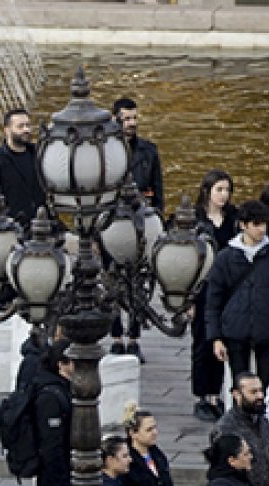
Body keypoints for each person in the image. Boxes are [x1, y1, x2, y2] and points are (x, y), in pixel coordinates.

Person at [204, 201, 269, 390]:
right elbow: (214, 300)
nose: (262, 229)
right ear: (243, 225)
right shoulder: (225, 258)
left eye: (264, 224)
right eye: (256, 224)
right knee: (240, 386)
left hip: (268, 330)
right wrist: (216, 337)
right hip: (235, 330)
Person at [110, 97, 164, 356]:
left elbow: (158, 190)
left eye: (134, 118)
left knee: (138, 282)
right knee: (111, 281)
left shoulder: (148, 151)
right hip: (111, 224)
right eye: (126, 119)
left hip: (141, 223)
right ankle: (116, 335)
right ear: (115, 120)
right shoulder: (105, 152)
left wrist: (158, 221)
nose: (132, 124)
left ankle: (133, 337)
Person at [188, 170, 238, 421]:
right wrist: (187, 299)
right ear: (207, 190)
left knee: (222, 341)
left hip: (228, 288)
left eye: (227, 190)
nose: (223, 195)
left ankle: (215, 395)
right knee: (202, 342)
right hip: (202, 288)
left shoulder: (234, 219)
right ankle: (201, 395)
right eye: (219, 189)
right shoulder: (195, 220)